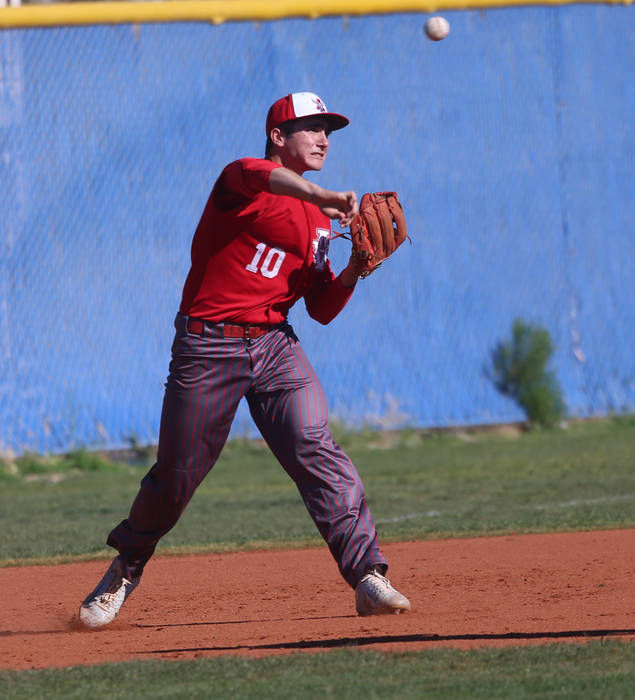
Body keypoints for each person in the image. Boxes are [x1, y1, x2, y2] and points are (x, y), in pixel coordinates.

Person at [78, 92, 411, 628]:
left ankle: (368, 575)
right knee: (178, 477)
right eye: (311, 126)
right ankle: (126, 565)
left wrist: (353, 270)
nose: (324, 137)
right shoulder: (242, 180)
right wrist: (321, 194)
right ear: (279, 136)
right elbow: (268, 180)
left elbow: (321, 308)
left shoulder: (321, 223)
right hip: (208, 345)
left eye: (329, 128)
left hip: (275, 343)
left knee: (315, 447)